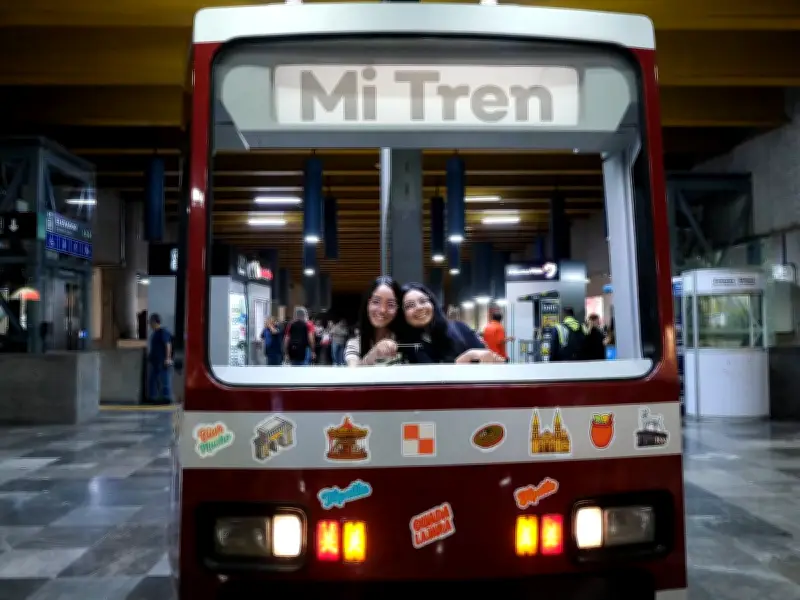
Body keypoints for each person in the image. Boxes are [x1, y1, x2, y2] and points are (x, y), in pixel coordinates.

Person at [397, 282, 504, 364]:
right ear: (402, 314)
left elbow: (488, 362)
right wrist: (463, 361)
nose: (419, 307)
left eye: (423, 301)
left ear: (432, 303)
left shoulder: (460, 329)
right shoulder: (404, 346)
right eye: (410, 305)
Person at [345, 276, 403, 366]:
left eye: (390, 304)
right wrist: (374, 354)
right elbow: (354, 374)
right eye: (376, 302)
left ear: (398, 308)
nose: (383, 310)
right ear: (367, 304)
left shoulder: (404, 340)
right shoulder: (355, 343)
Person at [147, 313, 173, 403]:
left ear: (155, 322)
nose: (150, 325)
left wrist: (167, 358)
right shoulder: (155, 334)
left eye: (150, 322)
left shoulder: (163, 332)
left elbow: (168, 345)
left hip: (162, 362)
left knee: (164, 379)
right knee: (153, 380)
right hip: (155, 362)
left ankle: (166, 398)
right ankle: (153, 397)